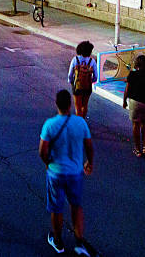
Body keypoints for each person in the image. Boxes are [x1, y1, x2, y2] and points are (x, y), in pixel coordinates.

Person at [39, 89, 94, 256]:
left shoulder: (50, 124)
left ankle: (58, 242)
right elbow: (89, 147)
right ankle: (79, 242)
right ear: (70, 105)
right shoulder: (80, 123)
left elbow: (42, 151)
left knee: (57, 209)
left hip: (56, 173)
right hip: (75, 173)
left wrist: (48, 163)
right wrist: (89, 163)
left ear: (56, 105)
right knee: (76, 207)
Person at [67, 41, 98, 118]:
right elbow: (96, 76)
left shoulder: (75, 59)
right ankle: (83, 121)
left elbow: (70, 74)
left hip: (77, 85)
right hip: (87, 86)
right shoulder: (92, 61)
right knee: (85, 105)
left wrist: (71, 82)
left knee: (78, 107)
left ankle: (78, 124)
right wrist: (91, 81)